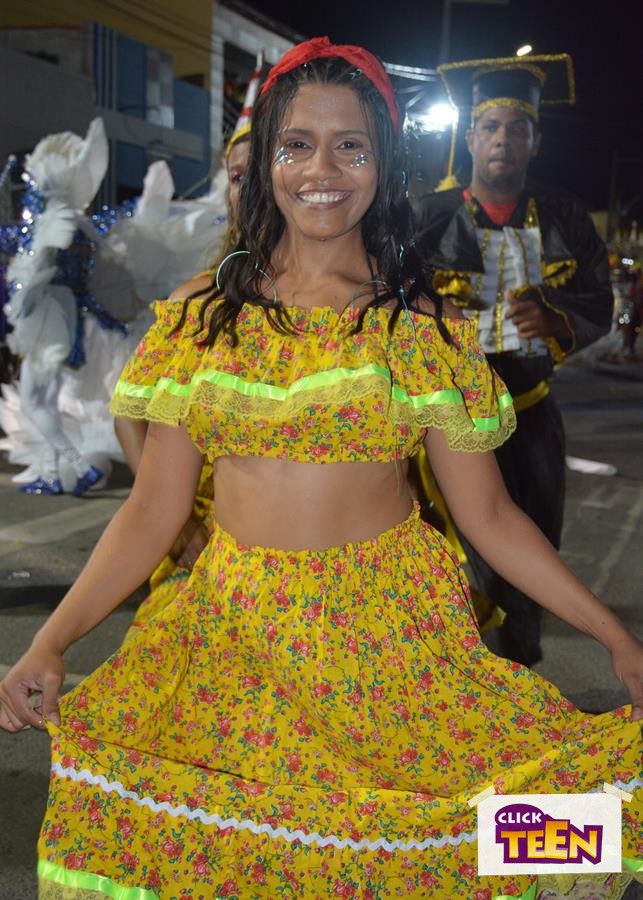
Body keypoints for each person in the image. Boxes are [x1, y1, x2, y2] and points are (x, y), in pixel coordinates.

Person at [0, 37, 641, 900]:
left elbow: (488, 517)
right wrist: (50, 641)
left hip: (389, 640)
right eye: (297, 144)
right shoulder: (201, 319)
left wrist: (612, 637)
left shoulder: (422, 327)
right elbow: (151, 512)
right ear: (266, 156)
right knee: (232, 855)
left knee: (489, 838)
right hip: (233, 636)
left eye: (350, 146)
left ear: (384, 164)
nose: (321, 171)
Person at [415, 55, 615, 667]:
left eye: (518, 128)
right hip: (448, 425)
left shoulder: (565, 216)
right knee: (451, 554)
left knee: (533, 548)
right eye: (491, 127)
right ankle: (457, 673)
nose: (503, 139)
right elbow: (385, 298)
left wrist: (556, 319)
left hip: (531, 420)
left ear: (536, 142)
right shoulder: (427, 216)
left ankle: (519, 669)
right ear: (471, 138)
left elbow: (599, 299)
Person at [115, 115, 253, 631]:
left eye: (262, 171)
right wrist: (179, 526)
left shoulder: (362, 304)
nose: (249, 188)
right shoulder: (201, 301)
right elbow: (130, 415)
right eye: (237, 177)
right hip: (208, 537)